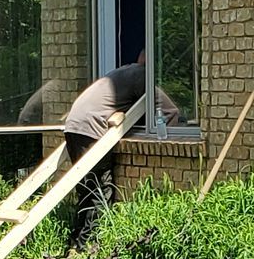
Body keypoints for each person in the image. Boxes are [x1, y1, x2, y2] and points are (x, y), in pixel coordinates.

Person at [56, 51, 179, 247]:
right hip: (92, 129)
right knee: (99, 187)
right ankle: (90, 244)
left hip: (74, 125)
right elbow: (170, 110)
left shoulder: (122, 73)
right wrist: (167, 135)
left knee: (87, 187)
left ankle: (76, 240)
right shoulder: (141, 75)